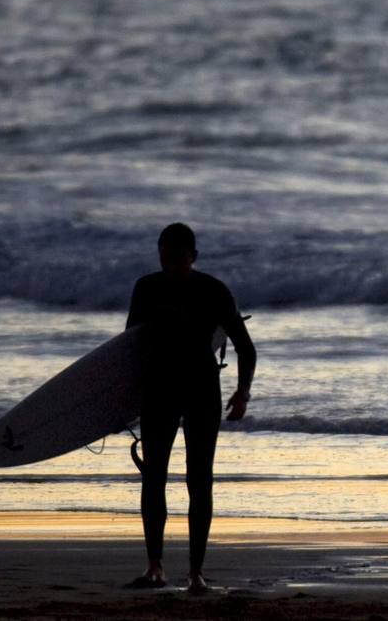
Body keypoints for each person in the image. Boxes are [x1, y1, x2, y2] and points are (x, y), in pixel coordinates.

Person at [123, 222, 256, 593]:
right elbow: (129, 347)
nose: (171, 265)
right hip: (159, 389)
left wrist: (242, 393)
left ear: (193, 257)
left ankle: (196, 572)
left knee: (199, 480)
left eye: (178, 258)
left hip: (200, 389)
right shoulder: (147, 288)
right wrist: (122, 403)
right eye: (164, 258)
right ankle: (155, 567)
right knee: (154, 478)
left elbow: (245, 347)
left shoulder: (212, 290)